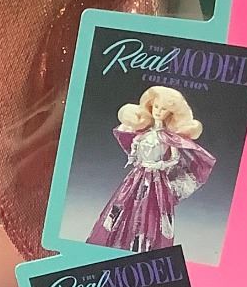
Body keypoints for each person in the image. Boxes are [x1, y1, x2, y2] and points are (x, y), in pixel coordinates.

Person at [87, 83, 215, 253]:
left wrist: (159, 165)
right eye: (156, 106)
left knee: (153, 209)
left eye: (164, 109)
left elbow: (175, 159)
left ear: (171, 113)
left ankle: (146, 244)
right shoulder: (144, 134)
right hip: (138, 174)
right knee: (124, 202)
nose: (158, 111)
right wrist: (134, 156)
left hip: (156, 178)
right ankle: (121, 239)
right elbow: (134, 148)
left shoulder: (168, 138)